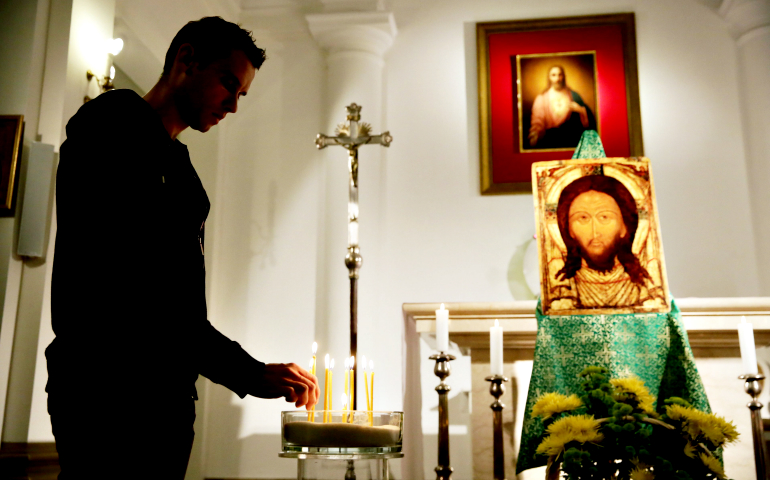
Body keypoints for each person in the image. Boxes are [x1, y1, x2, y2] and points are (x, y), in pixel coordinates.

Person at [46, 17, 318, 479]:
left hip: (166, 397)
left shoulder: (182, 171)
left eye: (242, 95)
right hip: (106, 392)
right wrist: (249, 373)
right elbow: (141, 294)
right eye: (228, 84)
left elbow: (180, 306)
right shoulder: (109, 133)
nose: (232, 106)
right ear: (186, 60)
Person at [549, 175, 665, 309]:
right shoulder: (563, 286)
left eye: (605, 217)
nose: (595, 232)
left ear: (624, 227)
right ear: (568, 229)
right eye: (582, 218)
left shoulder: (645, 285)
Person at [527, 65, 596, 149]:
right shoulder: (541, 98)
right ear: (549, 78)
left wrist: (580, 110)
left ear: (563, 77)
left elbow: (587, 118)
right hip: (550, 140)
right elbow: (537, 121)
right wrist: (535, 133)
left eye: (560, 75)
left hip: (570, 139)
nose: (557, 79)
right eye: (554, 75)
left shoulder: (574, 95)